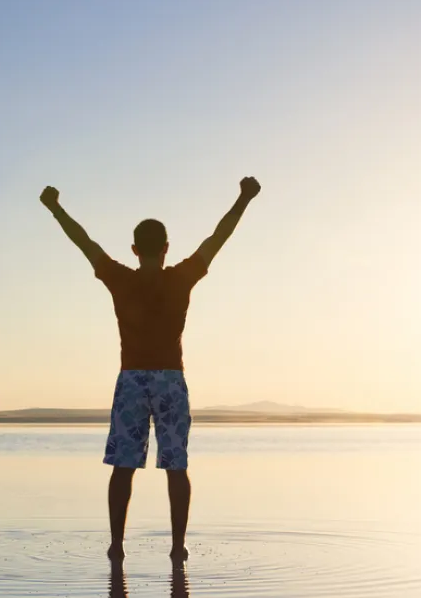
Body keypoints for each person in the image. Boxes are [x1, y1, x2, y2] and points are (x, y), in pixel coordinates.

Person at [40, 176, 262, 561]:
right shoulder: (181, 277)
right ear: (165, 248)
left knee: (123, 467)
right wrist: (243, 199)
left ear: (134, 248)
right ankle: (177, 547)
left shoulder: (119, 278)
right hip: (170, 381)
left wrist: (56, 208)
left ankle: (117, 546)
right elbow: (217, 238)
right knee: (176, 466)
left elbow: (84, 242)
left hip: (132, 380)